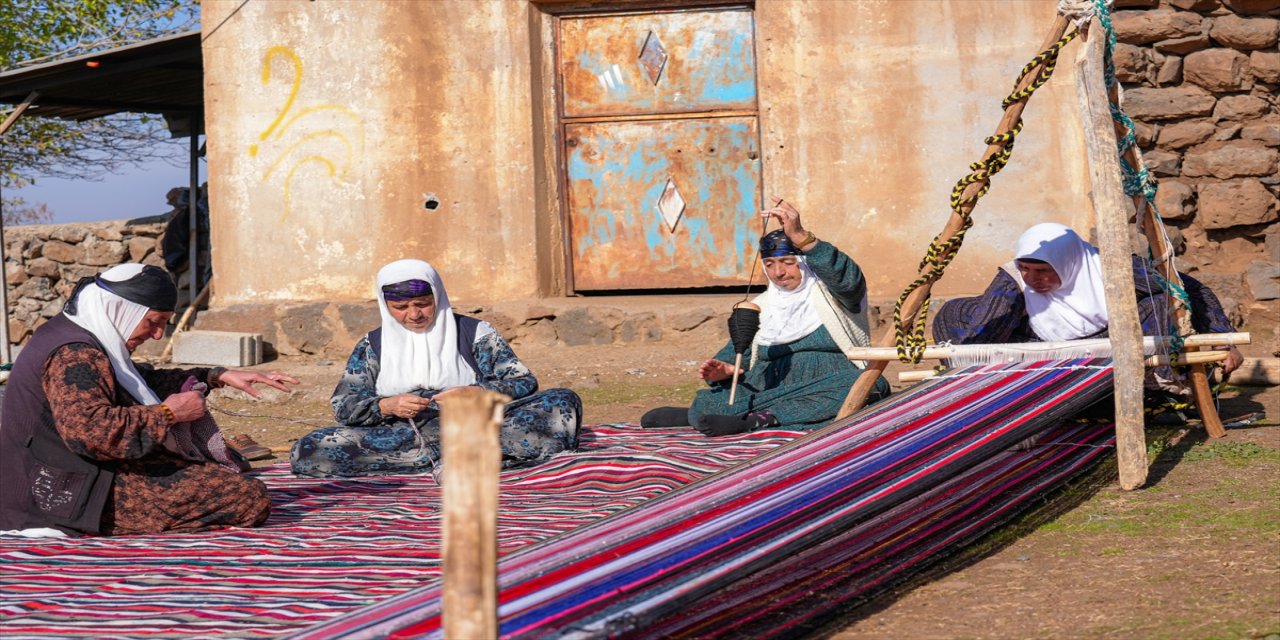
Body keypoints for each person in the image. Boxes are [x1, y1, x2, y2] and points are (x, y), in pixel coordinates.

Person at [0, 264, 298, 537]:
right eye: (153, 322)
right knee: (247, 498)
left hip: (72, 474)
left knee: (220, 476)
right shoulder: (75, 354)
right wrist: (169, 414)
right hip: (59, 493)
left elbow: (138, 381)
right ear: (124, 310)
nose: (157, 335)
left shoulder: (77, 335)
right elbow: (90, 433)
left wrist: (215, 375)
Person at [290, 259, 582, 477]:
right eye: (401, 308)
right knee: (311, 448)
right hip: (402, 434)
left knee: (562, 401)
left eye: (423, 304)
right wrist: (387, 406)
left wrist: (476, 393)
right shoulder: (372, 345)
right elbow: (345, 405)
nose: (414, 314)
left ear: (438, 297)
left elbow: (521, 381)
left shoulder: (475, 332)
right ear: (385, 305)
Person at [642, 198, 891, 436]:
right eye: (770, 264)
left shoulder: (835, 295)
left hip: (827, 379)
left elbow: (849, 280)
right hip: (769, 382)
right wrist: (725, 369)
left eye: (787, 261)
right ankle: (722, 415)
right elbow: (739, 352)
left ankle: (755, 418)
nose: (779, 272)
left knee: (866, 385)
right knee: (720, 397)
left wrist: (803, 237)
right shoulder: (761, 305)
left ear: (804, 262)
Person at [932, 222, 1243, 381]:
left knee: (1162, 301)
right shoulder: (1014, 279)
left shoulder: (1113, 270)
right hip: (1037, 347)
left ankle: (1155, 386)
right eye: (1025, 268)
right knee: (955, 311)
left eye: (1042, 271)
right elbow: (983, 331)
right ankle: (984, 387)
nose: (1031, 278)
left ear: (1069, 263)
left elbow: (1186, 287)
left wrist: (1221, 339)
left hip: (1112, 347)